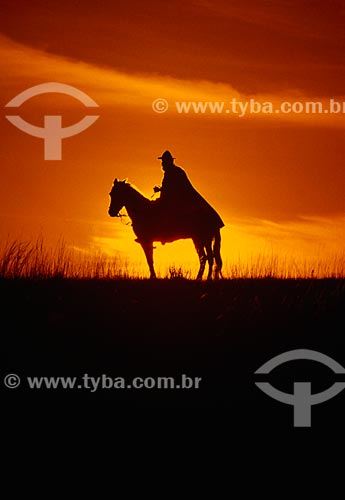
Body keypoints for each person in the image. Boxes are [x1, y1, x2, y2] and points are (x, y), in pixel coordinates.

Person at [153, 150, 224, 233]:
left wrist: (162, 191)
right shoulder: (173, 172)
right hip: (174, 199)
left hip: (177, 201)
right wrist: (161, 189)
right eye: (162, 162)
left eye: (164, 162)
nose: (162, 164)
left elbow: (177, 188)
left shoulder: (174, 172)